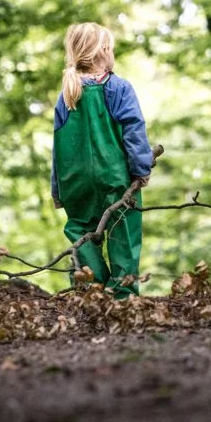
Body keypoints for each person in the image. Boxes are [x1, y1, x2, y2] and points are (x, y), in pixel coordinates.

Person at [51, 22, 152, 298]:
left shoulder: (67, 95)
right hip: (114, 176)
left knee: (79, 232)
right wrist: (141, 169)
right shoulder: (119, 88)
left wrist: (57, 190)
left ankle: (92, 289)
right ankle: (121, 293)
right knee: (124, 230)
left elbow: (57, 149)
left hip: (76, 182)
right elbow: (134, 130)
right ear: (105, 50)